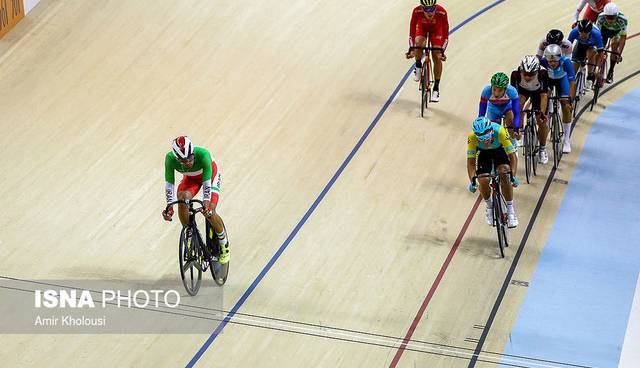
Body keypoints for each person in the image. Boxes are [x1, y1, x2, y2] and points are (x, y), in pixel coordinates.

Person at [162, 136, 229, 264]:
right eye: (183, 161)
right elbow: (169, 185)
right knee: (182, 198)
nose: (188, 163)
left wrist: (206, 204)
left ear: (193, 152)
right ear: (177, 158)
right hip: (191, 179)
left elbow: (207, 184)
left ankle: (223, 243)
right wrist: (169, 208)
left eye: (190, 158)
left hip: (210, 176)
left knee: (210, 211)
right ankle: (189, 234)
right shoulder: (170, 159)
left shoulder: (204, 155)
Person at [467, 117, 519, 228]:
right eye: (481, 139)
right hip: (483, 154)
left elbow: (512, 156)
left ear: (491, 132)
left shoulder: (499, 131)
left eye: (486, 138)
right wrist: (472, 181)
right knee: (483, 179)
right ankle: (489, 206)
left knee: (504, 172)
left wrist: (513, 177)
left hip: (499, 151)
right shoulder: (472, 137)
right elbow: (470, 162)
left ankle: (510, 211)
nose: (485, 141)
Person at [510, 55, 550, 164]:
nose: (527, 77)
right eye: (525, 74)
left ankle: (542, 148)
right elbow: (514, 97)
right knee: (518, 105)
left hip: (538, 93)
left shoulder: (543, 73)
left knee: (541, 121)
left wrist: (542, 114)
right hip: (523, 91)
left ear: (536, 71)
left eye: (531, 75)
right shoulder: (515, 74)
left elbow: (544, 96)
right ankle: (521, 131)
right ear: (521, 70)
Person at [407, 0, 449, 102]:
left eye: (432, 9)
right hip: (422, 29)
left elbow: (446, 35)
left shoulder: (442, 12)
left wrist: (442, 51)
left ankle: (436, 88)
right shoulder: (416, 11)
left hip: (437, 30)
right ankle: (418, 66)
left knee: (436, 54)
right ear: (422, 8)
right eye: (427, 9)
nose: (430, 12)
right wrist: (412, 49)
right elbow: (412, 31)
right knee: (419, 43)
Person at [540, 44, 576, 154]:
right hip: (549, 81)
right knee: (544, 100)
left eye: (555, 61)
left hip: (562, 80)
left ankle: (566, 140)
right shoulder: (542, 62)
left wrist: (571, 100)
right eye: (550, 62)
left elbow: (572, 84)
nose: (552, 64)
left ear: (560, 58)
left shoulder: (566, 62)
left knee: (565, 105)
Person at [478, 72, 521, 148]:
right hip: (493, 108)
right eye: (494, 89)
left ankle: (513, 143)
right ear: (491, 86)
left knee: (511, 125)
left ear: (505, 89)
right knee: (494, 131)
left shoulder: (512, 91)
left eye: (500, 90)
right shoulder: (486, 91)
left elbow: (517, 113)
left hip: (507, 107)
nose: (496, 93)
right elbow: (481, 115)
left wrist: (516, 128)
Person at [595, 3, 629, 83]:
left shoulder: (623, 20)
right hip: (604, 31)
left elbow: (623, 38)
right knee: (598, 49)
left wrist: (619, 53)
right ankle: (595, 69)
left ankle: (610, 71)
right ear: (605, 15)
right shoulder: (600, 17)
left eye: (612, 17)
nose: (610, 20)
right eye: (608, 17)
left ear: (617, 15)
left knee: (615, 45)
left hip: (615, 33)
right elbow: (597, 34)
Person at [568, 19, 604, 89]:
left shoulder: (596, 34)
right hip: (580, 44)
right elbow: (567, 47)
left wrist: (597, 67)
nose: (583, 36)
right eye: (581, 33)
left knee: (590, 54)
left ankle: (590, 76)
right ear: (578, 31)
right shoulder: (574, 32)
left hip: (592, 45)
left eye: (585, 34)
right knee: (574, 66)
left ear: (590, 32)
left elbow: (600, 53)